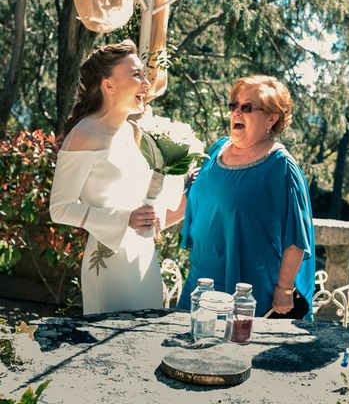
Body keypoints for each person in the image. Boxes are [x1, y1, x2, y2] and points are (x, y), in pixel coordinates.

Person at [50, 40, 185, 315]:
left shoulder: (130, 132)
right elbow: (59, 208)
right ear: (108, 85)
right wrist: (125, 218)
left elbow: (134, 194)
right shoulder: (83, 135)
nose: (146, 84)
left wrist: (153, 213)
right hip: (109, 265)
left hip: (143, 258)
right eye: (137, 75)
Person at [177, 75, 316, 320]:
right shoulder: (217, 149)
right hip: (201, 279)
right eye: (234, 106)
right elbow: (197, 200)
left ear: (271, 118)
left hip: (245, 288)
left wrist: (284, 290)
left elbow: (295, 238)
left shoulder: (281, 166)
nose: (236, 113)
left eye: (247, 107)